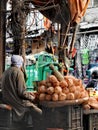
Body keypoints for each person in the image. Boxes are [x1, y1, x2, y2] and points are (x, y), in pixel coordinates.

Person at [1, 55, 42, 124]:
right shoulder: (18, 72)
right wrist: (33, 98)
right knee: (39, 112)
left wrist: (28, 94)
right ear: (20, 63)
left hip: (7, 100)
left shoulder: (6, 72)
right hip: (17, 103)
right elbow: (21, 93)